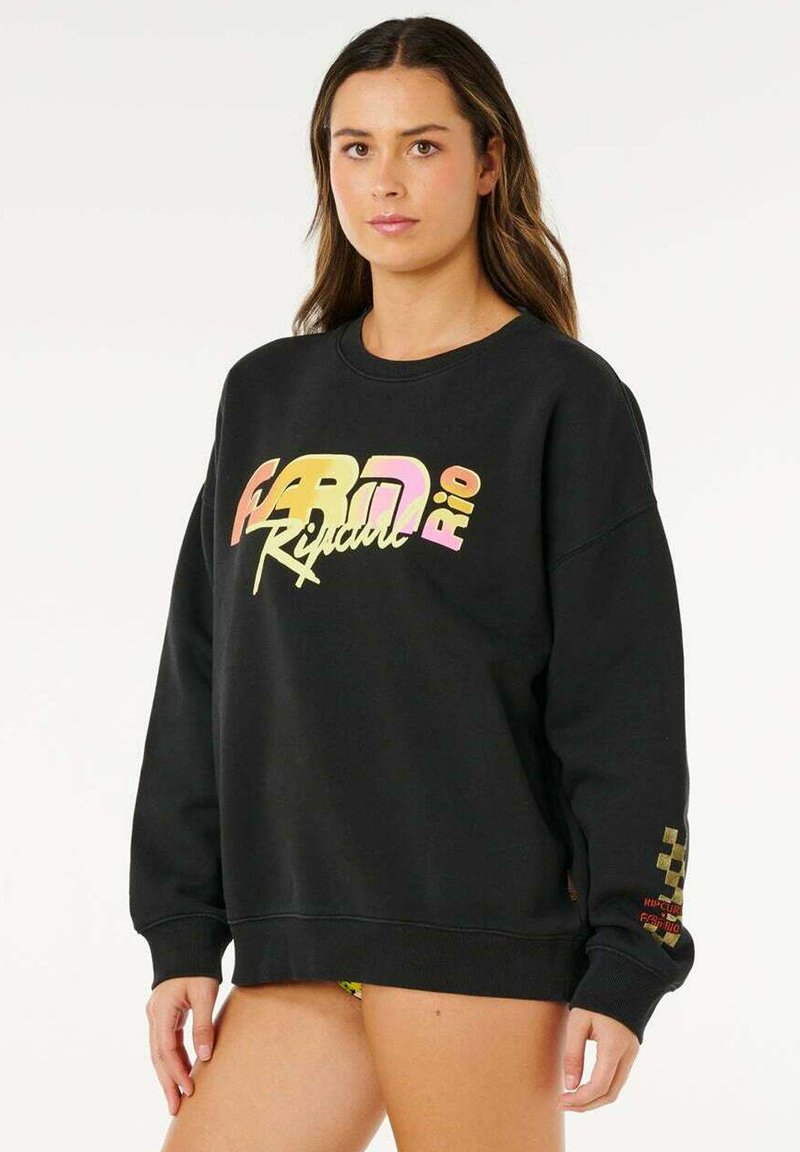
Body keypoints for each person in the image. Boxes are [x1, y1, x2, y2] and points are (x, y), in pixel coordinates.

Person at [129, 15, 695, 1150]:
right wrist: (182, 930)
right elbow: (202, 670)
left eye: (422, 145)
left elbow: (622, 698)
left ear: (489, 163)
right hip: (296, 936)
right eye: (355, 147)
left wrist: (632, 953)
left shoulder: (563, 403)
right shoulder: (266, 398)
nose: (384, 181)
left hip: (475, 936)